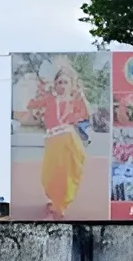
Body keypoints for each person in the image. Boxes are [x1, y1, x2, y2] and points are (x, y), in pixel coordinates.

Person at [28, 57, 93, 219]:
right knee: (49, 175)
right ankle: (56, 201)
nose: (62, 86)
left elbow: (85, 114)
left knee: (68, 173)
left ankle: (60, 206)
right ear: (55, 84)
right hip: (52, 140)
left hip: (69, 140)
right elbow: (31, 104)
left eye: (65, 82)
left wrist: (82, 96)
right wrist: (42, 89)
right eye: (59, 82)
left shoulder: (75, 100)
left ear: (71, 84)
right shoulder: (49, 99)